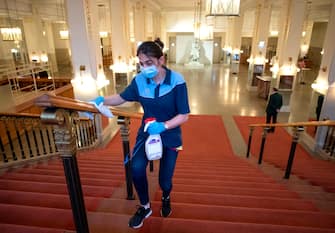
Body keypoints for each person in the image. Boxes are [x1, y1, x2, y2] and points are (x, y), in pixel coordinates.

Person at [92, 41, 190, 229]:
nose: (145, 68)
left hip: (171, 134)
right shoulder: (139, 81)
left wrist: (164, 125)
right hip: (147, 132)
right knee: (135, 167)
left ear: (161, 60)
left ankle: (166, 196)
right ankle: (145, 206)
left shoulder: (177, 80)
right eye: (141, 63)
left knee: (165, 180)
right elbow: (121, 98)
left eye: (149, 62)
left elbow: (184, 115)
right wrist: (102, 99)